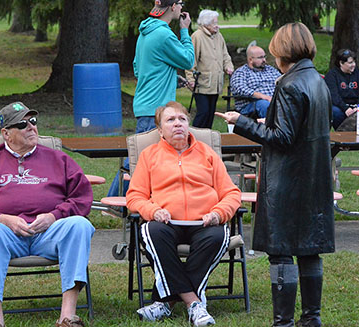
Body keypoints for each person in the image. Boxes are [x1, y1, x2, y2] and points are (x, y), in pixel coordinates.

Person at [216, 23, 334, 327]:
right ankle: (312, 319)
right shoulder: (317, 81)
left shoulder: (289, 84)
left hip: (287, 180)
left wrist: (241, 121)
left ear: (283, 51)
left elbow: (281, 137)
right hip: (313, 177)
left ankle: (283, 323)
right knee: (309, 251)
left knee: (282, 252)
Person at [0, 102, 95, 327]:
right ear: (6, 134)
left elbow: (82, 198)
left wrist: (54, 216)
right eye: (23, 124)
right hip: (7, 236)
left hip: (50, 234)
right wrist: (2, 219)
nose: (31, 127)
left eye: (33, 121)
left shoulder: (58, 160)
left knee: (79, 225)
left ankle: (68, 317)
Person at [126, 101, 241, 326]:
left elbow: (231, 193)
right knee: (151, 231)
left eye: (182, 119)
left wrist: (218, 213)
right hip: (166, 222)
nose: (178, 124)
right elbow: (134, 197)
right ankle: (194, 304)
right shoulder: (150, 156)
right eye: (170, 120)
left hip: (205, 222)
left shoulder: (207, 154)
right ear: (160, 130)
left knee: (218, 236)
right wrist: (153, 210)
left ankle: (164, 302)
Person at [107, 0, 194, 197]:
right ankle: (114, 202)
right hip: (155, 108)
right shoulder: (164, 34)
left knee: (141, 156)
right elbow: (188, 60)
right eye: (180, 3)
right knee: (138, 158)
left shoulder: (145, 32)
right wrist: (185, 31)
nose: (182, 7)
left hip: (145, 104)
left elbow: (139, 68)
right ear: (172, 7)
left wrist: (170, 76)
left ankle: (120, 200)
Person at [184, 9, 234, 128]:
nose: (217, 26)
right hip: (202, 83)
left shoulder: (218, 36)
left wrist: (228, 66)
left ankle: (206, 139)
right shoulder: (197, 36)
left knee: (211, 114)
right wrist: (190, 78)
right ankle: (195, 136)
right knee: (203, 112)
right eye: (214, 23)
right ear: (205, 23)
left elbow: (225, 54)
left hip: (215, 83)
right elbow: (191, 60)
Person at [229, 44, 281, 118]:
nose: (264, 60)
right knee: (264, 104)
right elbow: (239, 89)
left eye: (264, 57)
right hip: (250, 105)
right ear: (250, 59)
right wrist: (263, 96)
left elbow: (282, 83)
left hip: (274, 102)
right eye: (260, 57)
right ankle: (271, 128)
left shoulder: (271, 70)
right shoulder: (241, 72)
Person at [324, 49, 359, 130]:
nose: (354, 65)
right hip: (341, 107)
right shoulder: (332, 75)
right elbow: (333, 95)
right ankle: (342, 134)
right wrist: (345, 108)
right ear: (341, 63)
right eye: (350, 63)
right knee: (335, 112)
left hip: (356, 106)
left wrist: (358, 106)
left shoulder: (358, 73)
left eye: (354, 62)